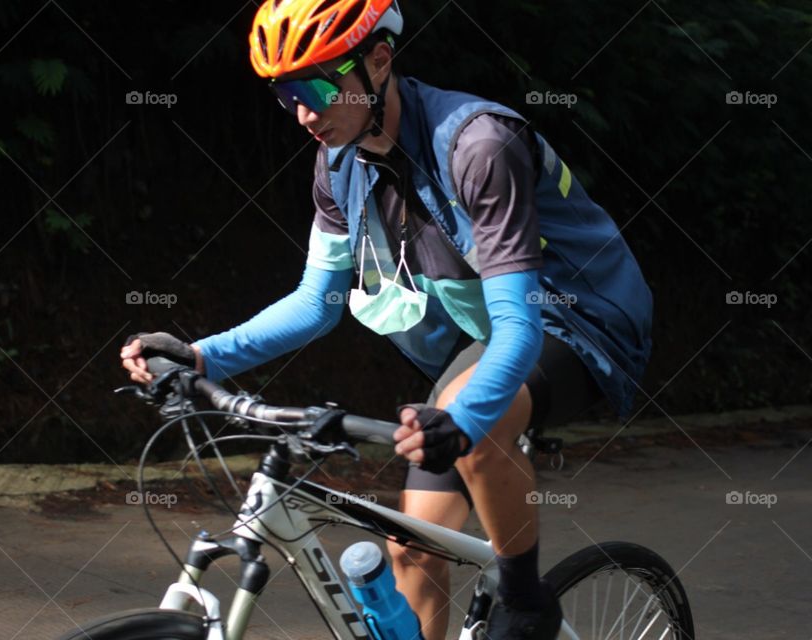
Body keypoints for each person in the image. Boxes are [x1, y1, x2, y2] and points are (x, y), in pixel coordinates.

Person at [121, 1, 654, 638]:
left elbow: (520, 322)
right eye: (285, 92)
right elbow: (316, 303)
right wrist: (201, 356)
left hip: (579, 320)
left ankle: (526, 605)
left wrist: (464, 418)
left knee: (475, 426)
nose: (303, 113)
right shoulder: (340, 162)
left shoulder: (480, 145)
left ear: (379, 61)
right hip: (487, 336)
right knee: (411, 548)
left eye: (317, 87)